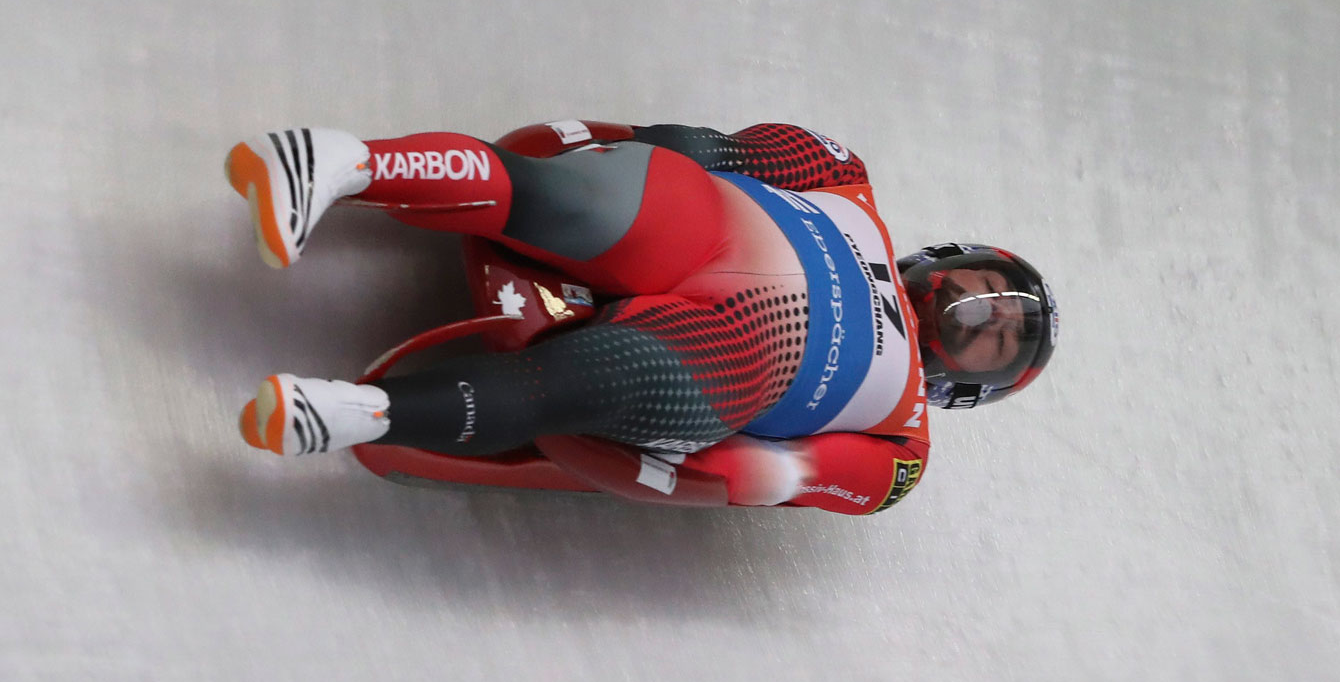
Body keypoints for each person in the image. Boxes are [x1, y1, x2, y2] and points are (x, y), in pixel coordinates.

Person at [225, 121, 1058, 514]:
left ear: (970, 386)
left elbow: (790, 476)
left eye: (992, 339)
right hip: (704, 222)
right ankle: (343, 162)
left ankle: (356, 412)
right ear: (946, 257)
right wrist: (631, 148)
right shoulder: (847, 175)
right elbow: (714, 150)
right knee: (569, 198)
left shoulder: (904, 443)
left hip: (735, 353)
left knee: (585, 383)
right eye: (983, 288)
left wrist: (716, 470)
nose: (973, 312)